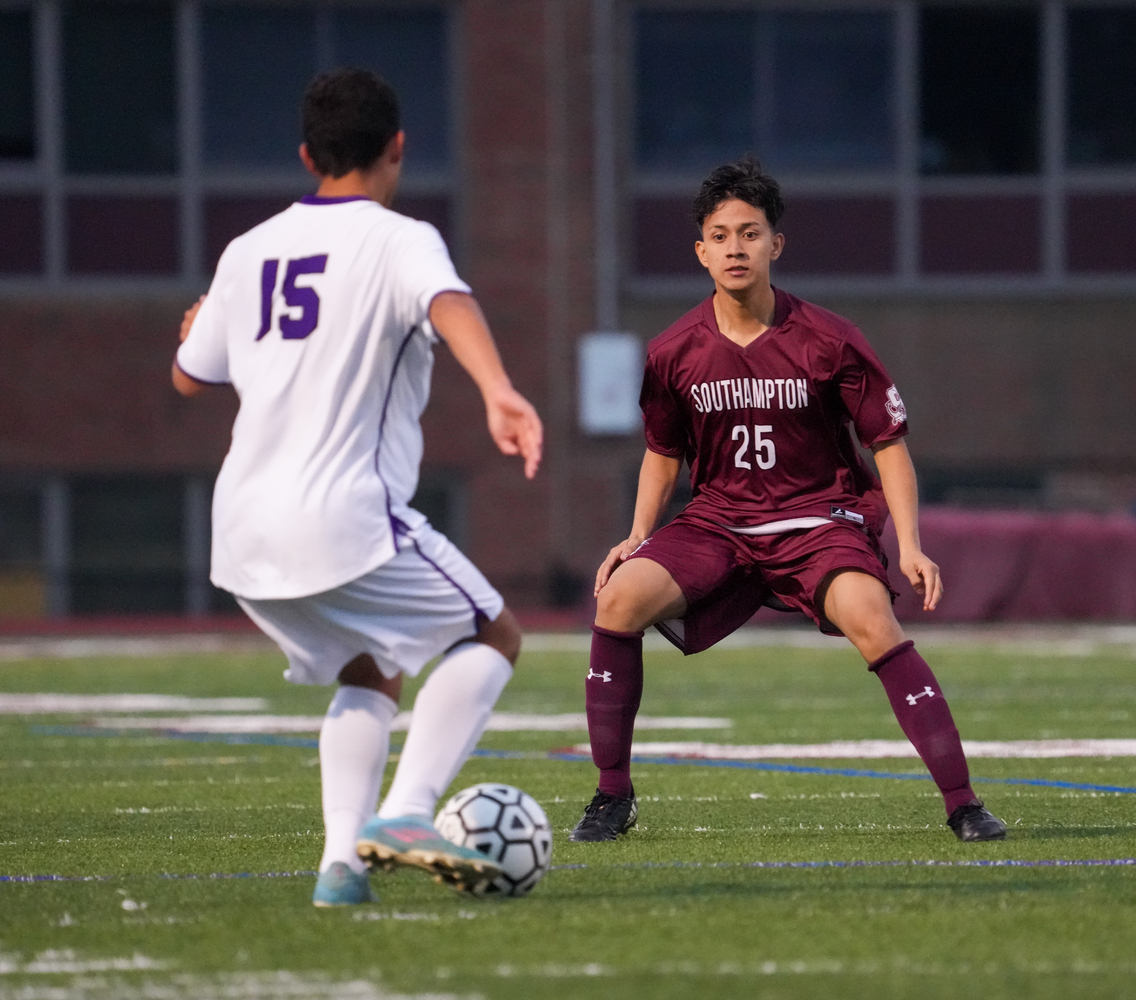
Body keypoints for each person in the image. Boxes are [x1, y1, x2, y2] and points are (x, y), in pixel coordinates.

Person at [173, 68, 544, 904]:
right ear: (399, 148)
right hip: (340, 519)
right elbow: (448, 302)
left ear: (308, 154)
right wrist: (496, 388)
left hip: (239, 535)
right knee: (493, 634)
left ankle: (340, 868)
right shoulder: (398, 238)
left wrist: (199, 326)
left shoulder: (246, 250)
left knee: (370, 670)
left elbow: (192, 375)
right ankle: (406, 813)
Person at [571, 158, 1005, 844]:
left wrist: (910, 544)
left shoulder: (831, 339)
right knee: (619, 599)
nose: (735, 247)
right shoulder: (671, 352)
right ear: (701, 251)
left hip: (817, 520)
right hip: (719, 523)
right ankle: (610, 795)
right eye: (720, 235)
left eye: (750, 232)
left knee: (871, 617)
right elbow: (663, 451)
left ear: (777, 244)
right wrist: (636, 534)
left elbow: (887, 443)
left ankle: (963, 802)